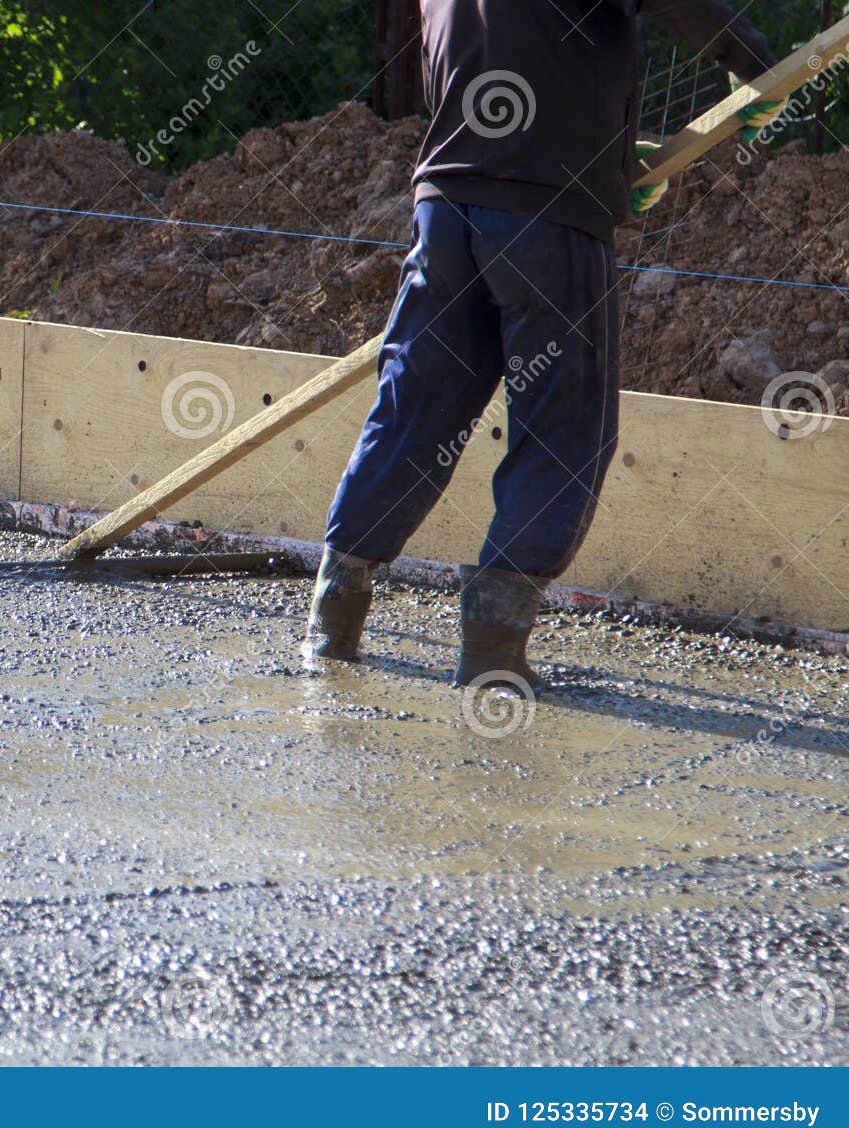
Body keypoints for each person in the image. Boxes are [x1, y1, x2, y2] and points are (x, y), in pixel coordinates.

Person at [308, 0, 777, 691]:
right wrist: (756, 68)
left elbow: (507, 54)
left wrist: (611, 165)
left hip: (446, 207)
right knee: (564, 427)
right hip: (550, 215)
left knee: (415, 407)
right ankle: (494, 646)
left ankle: (334, 614)